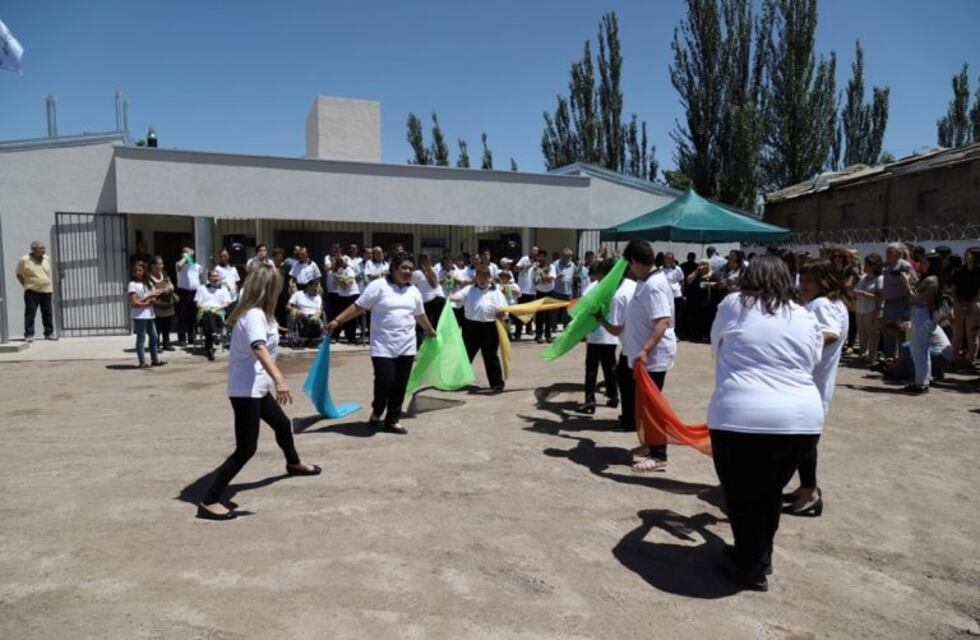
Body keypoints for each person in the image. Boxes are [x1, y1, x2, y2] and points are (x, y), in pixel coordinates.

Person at [708, 256, 824, 591]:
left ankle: (750, 567)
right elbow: (813, 357)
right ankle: (760, 556)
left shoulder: (733, 303)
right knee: (769, 491)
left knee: (741, 492)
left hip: (741, 415)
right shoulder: (804, 314)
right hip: (801, 419)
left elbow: (716, 344)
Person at [197, 263, 321, 521]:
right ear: (268, 289)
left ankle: (293, 463)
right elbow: (258, 347)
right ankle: (209, 500)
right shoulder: (253, 314)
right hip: (246, 390)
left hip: (256, 387)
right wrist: (280, 379)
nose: (282, 291)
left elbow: (262, 338)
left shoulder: (264, 315)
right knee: (246, 448)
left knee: (282, 424)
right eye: (277, 287)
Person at [326, 254, 436, 434]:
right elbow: (358, 306)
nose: (408, 272)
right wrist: (337, 321)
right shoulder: (378, 286)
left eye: (410, 268)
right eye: (404, 268)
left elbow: (419, 315)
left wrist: (430, 330)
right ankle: (378, 409)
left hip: (407, 346)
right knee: (385, 382)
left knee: (400, 385)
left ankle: (392, 420)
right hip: (382, 346)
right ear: (393, 268)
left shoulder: (414, 291)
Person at [783, 259, 848, 517]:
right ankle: (806, 487)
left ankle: (809, 493)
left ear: (825, 282)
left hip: (810, 385)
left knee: (801, 443)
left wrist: (794, 343)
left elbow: (829, 333)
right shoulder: (829, 303)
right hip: (814, 384)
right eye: (803, 279)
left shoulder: (822, 305)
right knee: (804, 443)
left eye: (810, 280)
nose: (803, 286)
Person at [620, 239, 677, 472]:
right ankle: (649, 444)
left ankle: (659, 454)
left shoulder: (654, 285)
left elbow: (662, 321)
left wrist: (645, 350)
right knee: (644, 405)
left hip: (652, 358)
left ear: (634, 261)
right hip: (643, 357)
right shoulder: (645, 282)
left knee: (653, 406)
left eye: (629, 265)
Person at [596, 261, 636, 431]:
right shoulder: (632, 284)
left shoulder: (618, 296)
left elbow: (615, 329)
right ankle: (633, 418)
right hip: (639, 343)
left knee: (626, 384)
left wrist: (599, 319)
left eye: (602, 279)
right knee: (632, 384)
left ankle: (629, 420)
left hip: (632, 347)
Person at [453, 266, 507, 391]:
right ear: (476, 278)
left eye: (486, 277)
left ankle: (497, 383)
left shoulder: (496, 292)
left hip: (490, 327)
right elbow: (458, 296)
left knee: (490, 355)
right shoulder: (469, 289)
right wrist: (449, 298)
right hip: (471, 327)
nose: (483, 279)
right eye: (480, 277)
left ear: (490, 278)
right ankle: (457, 381)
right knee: (465, 354)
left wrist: (501, 312)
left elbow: (504, 309)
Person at [577, 259, 619, 414]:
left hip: (596, 334)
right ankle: (614, 396)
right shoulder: (615, 287)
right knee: (610, 367)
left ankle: (590, 401)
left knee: (591, 368)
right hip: (611, 334)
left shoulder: (593, 287)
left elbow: (583, 307)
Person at [905, 266, 943, 394]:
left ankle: (920, 383)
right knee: (923, 352)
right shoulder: (935, 280)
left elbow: (918, 300)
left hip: (922, 316)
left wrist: (906, 284)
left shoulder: (932, 280)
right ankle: (924, 381)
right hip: (925, 317)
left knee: (919, 352)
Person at [877, 321, 953, 383]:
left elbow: (908, 352)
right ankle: (934, 372)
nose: (896, 336)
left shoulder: (911, 328)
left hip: (938, 355)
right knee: (898, 373)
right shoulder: (916, 325)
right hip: (943, 355)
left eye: (894, 333)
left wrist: (892, 367)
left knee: (906, 347)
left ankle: (915, 378)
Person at [881, 242, 917, 359]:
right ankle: (889, 357)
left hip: (901, 303)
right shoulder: (887, 266)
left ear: (898, 253)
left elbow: (914, 281)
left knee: (901, 330)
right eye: (887, 251)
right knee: (888, 330)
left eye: (890, 252)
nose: (887, 254)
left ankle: (902, 358)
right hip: (888, 302)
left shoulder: (904, 265)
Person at [127, 261, 165, 369]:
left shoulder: (148, 283)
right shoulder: (132, 284)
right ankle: (142, 362)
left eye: (140, 270)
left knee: (154, 336)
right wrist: (149, 297)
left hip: (149, 314)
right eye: (135, 270)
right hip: (139, 316)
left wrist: (153, 296)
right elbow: (135, 303)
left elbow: (154, 296)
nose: (137, 272)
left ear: (144, 271)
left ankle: (155, 360)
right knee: (141, 338)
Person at [16, 241, 56, 342]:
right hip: (32, 291)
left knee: (48, 312)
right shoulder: (24, 260)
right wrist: (26, 285)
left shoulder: (46, 258)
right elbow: (19, 274)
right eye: (41, 249)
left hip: (46, 290)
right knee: (30, 313)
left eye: (44, 248)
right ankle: (29, 335)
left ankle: (49, 333)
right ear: (33, 250)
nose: (43, 250)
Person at [950, 247, 980, 366]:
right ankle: (954, 357)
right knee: (958, 333)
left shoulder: (979, 271)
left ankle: (970, 359)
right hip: (959, 303)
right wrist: (958, 303)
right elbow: (953, 289)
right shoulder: (959, 271)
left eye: (969, 254)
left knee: (971, 334)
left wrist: (971, 303)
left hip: (974, 304)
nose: (966, 256)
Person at [853, 253, 884, 365]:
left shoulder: (879, 278)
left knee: (872, 333)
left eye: (867, 265)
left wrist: (864, 294)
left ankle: (871, 357)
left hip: (872, 309)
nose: (864, 266)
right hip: (860, 308)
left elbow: (880, 296)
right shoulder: (863, 278)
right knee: (861, 333)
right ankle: (862, 354)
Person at [195, 269, 233, 361]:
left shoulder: (223, 289)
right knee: (208, 314)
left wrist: (217, 308)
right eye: (213, 276)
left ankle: (210, 347)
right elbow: (197, 304)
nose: (215, 278)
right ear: (208, 278)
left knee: (210, 317)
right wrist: (206, 308)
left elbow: (227, 303)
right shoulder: (202, 288)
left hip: (218, 313)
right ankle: (215, 334)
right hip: (204, 312)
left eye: (217, 276)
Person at [412, 253, 446, 344]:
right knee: (437, 326)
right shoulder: (434, 270)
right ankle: (436, 347)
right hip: (441, 299)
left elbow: (410, 286)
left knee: (421, 327)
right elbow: (436, 284)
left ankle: (418, 350)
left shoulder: (416, 273)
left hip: (428, 300)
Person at [175, 246, 204, 347]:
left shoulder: (197, 266)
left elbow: (199, 277)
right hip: (183, 292)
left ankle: (192, 337)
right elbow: (179, 265)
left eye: (189, 253)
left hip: (194, 293)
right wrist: (186, 256)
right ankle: (182, 338)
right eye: (185, 253)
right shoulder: (179, 265)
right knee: (182, 316)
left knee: (193, 316)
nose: (188, 255)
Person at [330, 251, 361, 344]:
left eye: (340, 261)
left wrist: (341, 279)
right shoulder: (335, 272)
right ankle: (336, 335)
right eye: (336, 262)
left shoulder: (348, 269)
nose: (338, 263)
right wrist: (336, 279)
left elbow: (351, 281)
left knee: (351, 317)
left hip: (352, 294)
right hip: (341, 295)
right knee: (339, 315)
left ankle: (351, 337)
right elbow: (335, 286)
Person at [148, 256, 178, 352]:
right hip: (157, 305)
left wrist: (169, 288)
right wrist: (163, 290)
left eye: (162, 264)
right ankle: (155, 344)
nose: (162, 265)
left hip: (168, 303)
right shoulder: (148, 277)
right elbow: (151, 291)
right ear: (153, 266)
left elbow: (171, 286)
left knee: (167, 325)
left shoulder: (164, 274)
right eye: (160, 264)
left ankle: (166, 343)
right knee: (157, 327)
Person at [513, 245, 539, 340]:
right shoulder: (524, 259)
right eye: (533, 250)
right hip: (522, 290)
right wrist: (526, 266)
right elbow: (515, 269)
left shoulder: (537, 262)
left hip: (532, 290)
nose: (535, 252)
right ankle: (518, 333)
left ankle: (529, 329)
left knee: (530, 312)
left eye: (536, 251)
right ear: (530, 251)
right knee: (520, 312)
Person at [531, 250, 557, 343]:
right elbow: (536, 281)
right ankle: (538, 335)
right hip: (539, 293)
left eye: (543, 256)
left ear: (546, 257)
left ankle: (548, 335)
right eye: (539, 257)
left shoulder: (552, 266)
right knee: (539, 316)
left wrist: (541, 273)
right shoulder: (535, 268)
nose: (541, 259)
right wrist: (543, 276)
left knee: (549, 315)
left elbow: (550, 279)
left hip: (549, 292)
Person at [661, 252, 685, 335]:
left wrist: (682, 293)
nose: (668, 260)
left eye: (670, 259)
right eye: (666, 258)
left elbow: (682, 281)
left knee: (676, 315)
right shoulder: (661, 269)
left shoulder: (677, 269)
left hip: (676, 295)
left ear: (673, 260)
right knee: (667, 314)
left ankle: (676, 333)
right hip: (665, 295)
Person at [552, 248, 576, 327]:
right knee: (555, 309)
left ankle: (566, 325)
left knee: (567, 310)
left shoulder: (572, 265)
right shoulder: (556, 264)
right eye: (566, 256)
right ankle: (553, 325)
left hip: (568, 291)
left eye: (569, 256)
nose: (568, 258)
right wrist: (557, 276)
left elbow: (574, 276)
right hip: (557, 290)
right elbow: (551, 276)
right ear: (562, 255)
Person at [497, 270, 522, 339]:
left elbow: (520, 295)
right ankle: (508, 335)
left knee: (518, 320)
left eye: (505, 277)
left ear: (508, 278)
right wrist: (502, 289)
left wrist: (515, 291)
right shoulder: (497, 286)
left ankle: (518, 335)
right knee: (505, 321)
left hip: (513, 305)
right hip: (504, 307)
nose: (503, 278)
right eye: (501, 277)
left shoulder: (514, 285)